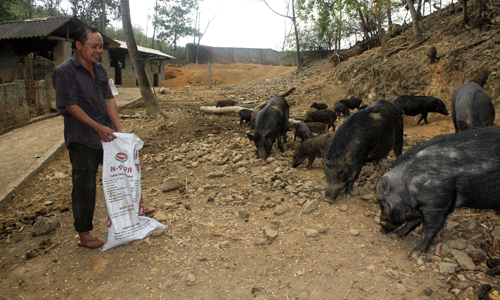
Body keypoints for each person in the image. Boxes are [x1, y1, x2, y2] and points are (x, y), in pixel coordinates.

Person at [53, 26, 154, 249]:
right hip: (82, 137)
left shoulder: (99, 70)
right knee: (84, 184)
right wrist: (97, 127)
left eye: (101, 46)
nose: (98, 50)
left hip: (107, 134)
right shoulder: (65, 72)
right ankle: (84, 231)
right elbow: (70, 106)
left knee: (122, 174)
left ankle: (134, 209)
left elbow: (109, 100)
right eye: (94, 46)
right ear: (79, 45)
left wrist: (118, 131)